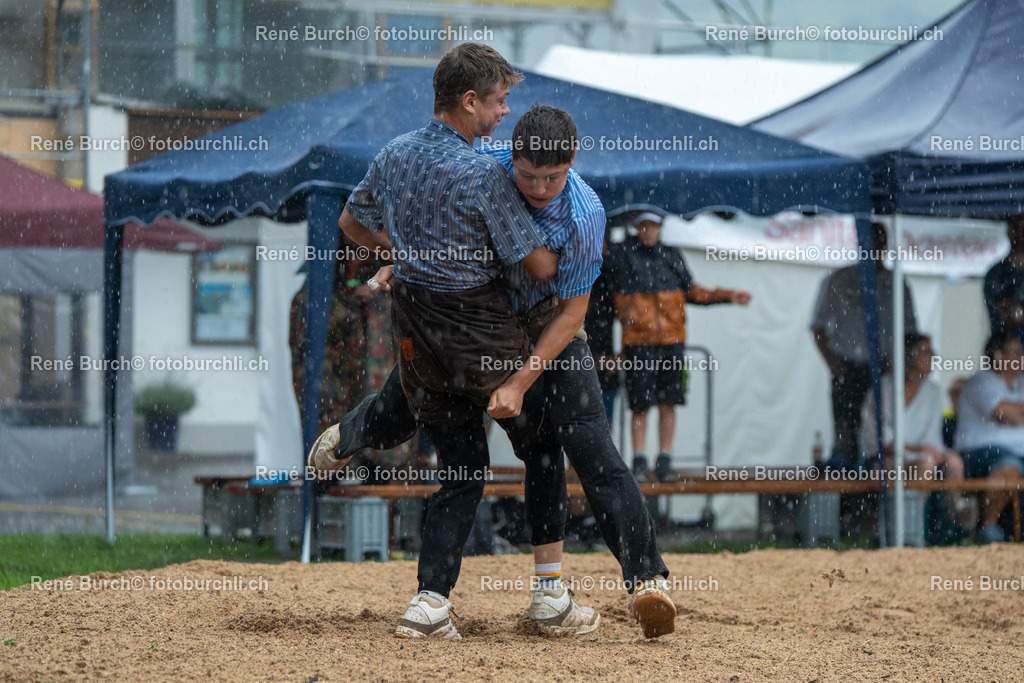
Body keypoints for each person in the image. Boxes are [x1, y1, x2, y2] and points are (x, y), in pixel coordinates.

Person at [315, 48, 674, 639]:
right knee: (527, 447)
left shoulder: (582, 212)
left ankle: (645, 581)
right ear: (501, 145)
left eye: (550, 178)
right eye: (527, 173)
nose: (536, 186)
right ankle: (548, 598)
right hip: (486, 326)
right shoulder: (483, 169)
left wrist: (400, 261)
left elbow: (571, 312)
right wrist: (404, 259)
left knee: (581, 446)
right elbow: (531, 263)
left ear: (572, 164)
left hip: (532, 328)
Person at [604, 211, 751, 482]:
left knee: (668, 402)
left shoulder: (670, 255)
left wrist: (727, 295)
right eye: (644, 226)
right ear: (637, 228)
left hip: (672, 343)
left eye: (654, 226)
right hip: (638, 344)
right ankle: (639, 460)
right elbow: (612, 301)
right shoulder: (624, 257)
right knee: (640, 405)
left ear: (661, 227)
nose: (649, 231)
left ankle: (664, 460)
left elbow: (693, 292)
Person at [811, 222, 918, 472]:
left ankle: (875, 501)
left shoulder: (897, 283)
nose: (875, 247)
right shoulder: (839, 279)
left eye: (879, 241)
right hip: (847, 368)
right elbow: (817, 326)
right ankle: (846, 502)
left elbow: (910, 332)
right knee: (845, 437)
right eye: (870, 240)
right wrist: (832, 362)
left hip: (884, 370)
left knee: (882, 437)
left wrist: (895, 363)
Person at [860, 333, 966, 508]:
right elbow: (879, 442)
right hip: (885, 460)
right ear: (908, 356)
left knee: (954, 462)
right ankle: (910, 523)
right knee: (925, 464)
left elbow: (932, 439)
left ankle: (953, 522)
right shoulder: (882, 389)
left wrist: (932, 452)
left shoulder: (933, 391)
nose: (933, 356)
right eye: (925, 352)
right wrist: (918, 450)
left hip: (920, 457)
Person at [955, 331, 1024, 544]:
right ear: (998, 356)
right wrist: (1013, 413)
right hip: (981, 452)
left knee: (1012, 463)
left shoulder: (1021, 382)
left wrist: (1015, 413)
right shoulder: (981, 381)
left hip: (1016, 452)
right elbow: (1001, 413)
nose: (1021, 358)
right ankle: (988, 528)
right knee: (1009, 467)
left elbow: (1010, 413)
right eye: (1016, 353)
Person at [983, 215, 1024, 342]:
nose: (1021, 235)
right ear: (1009, 232)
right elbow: (1008, 312)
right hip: (1005, 353)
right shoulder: (996, 274)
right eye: (1017, 229)